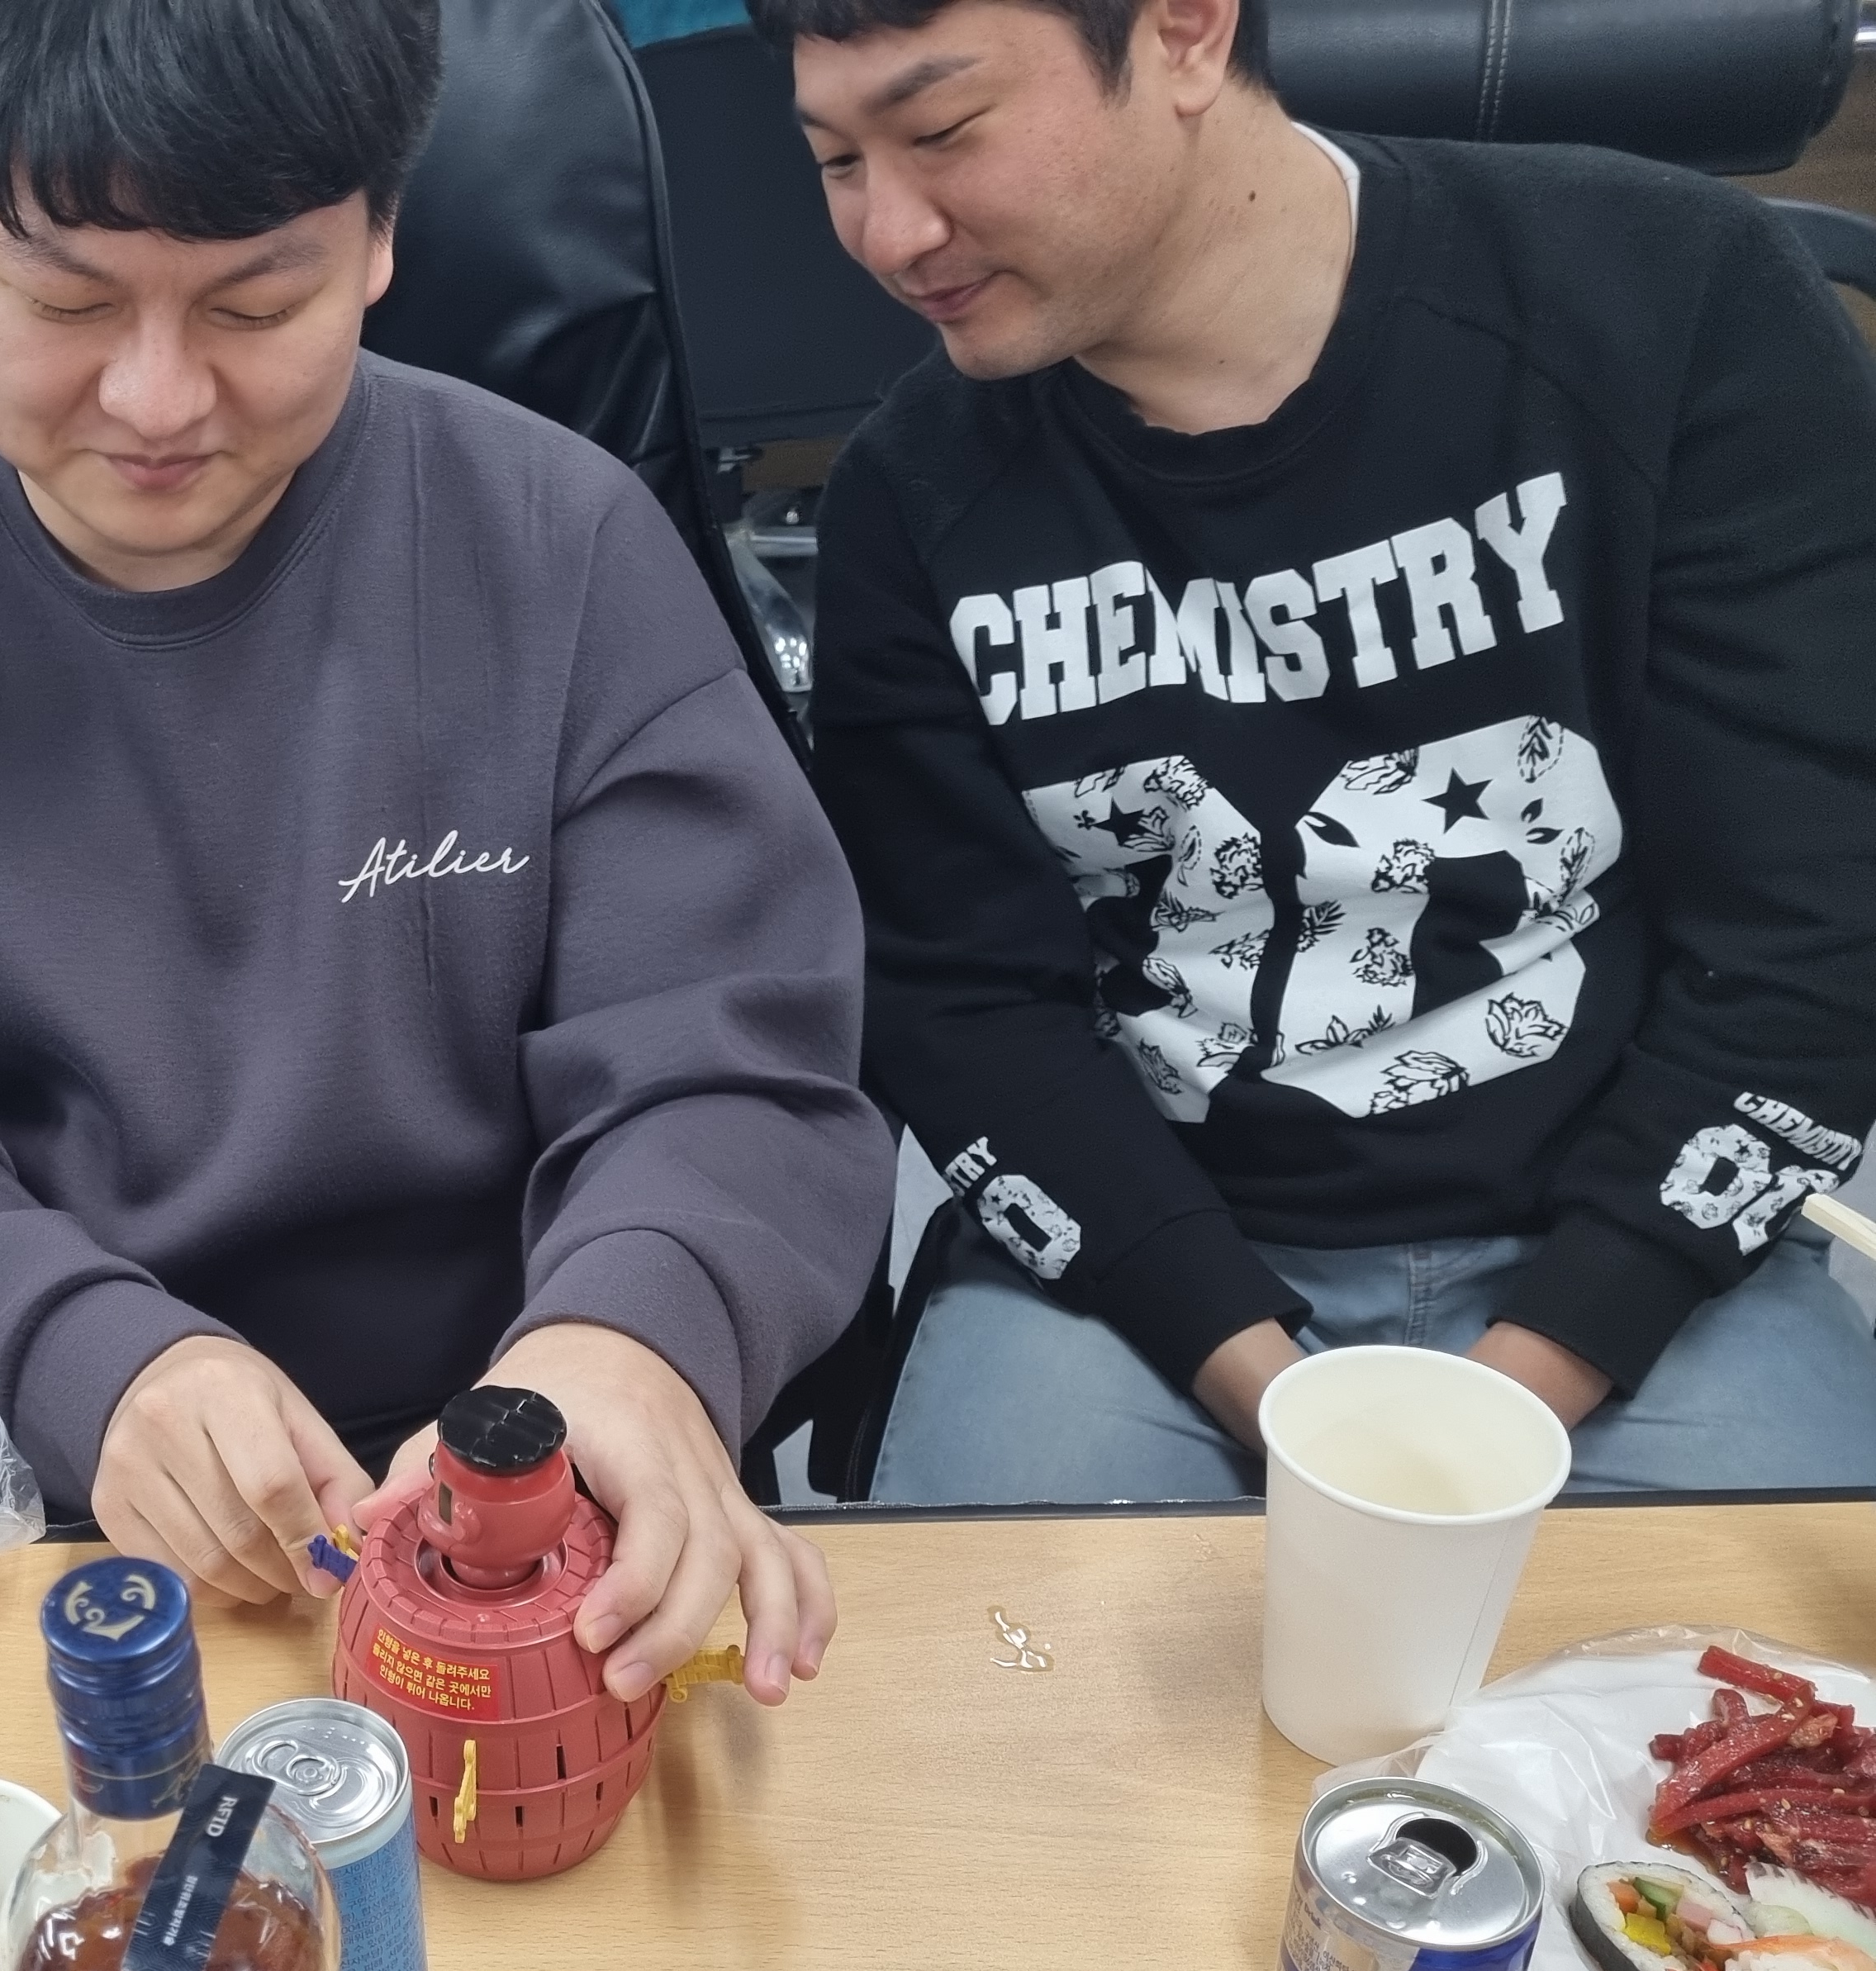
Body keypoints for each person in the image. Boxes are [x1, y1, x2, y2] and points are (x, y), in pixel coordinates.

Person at [0, 0, 886, 1698]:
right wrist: (91, 1357)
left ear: (378, 241)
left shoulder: (569, 548)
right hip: (61, 1505)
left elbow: (731, 1063)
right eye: (68, 302)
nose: (157, 400)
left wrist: (633, 1332)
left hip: (546, 1486)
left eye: (254, 304)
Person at [767, 0, 1876, 1502]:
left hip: (1639, 1243)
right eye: (837, 161)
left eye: (944, 131)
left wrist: (1531, 1377)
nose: (892, 233)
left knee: (1780, 1641)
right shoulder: (912, 492)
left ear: (1183, 32)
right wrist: (1279, 1396)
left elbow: (1815, 915)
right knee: (997, 1644)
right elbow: (960, 1004)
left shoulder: (1669, 296)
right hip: (1149, 1275)